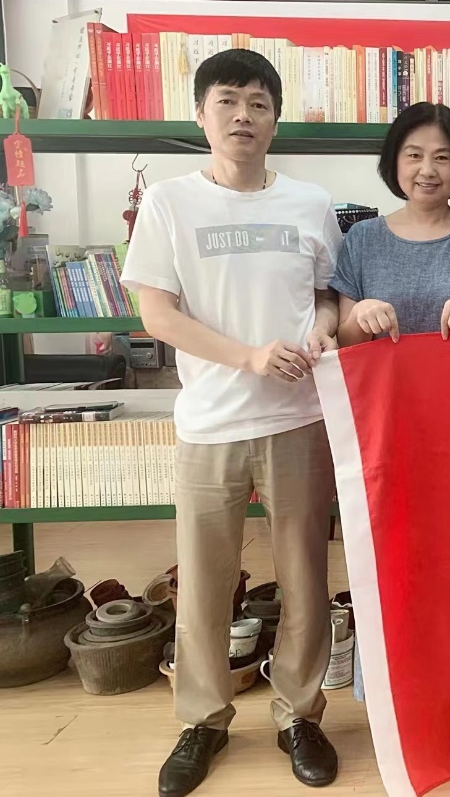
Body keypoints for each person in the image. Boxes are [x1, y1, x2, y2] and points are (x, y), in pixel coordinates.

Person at [121, 49, 343, 796]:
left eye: (258, 103)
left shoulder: (309, 203)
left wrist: (321, 329)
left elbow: (325, 293)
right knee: (204, 583)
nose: (243, 116)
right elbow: (157, 314)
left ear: (275, 120)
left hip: (299, 418)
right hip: (209, 423)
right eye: (227, 101)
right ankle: (204, 719)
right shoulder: (170, 203)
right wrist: (248, 357)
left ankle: (299, 714)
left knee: (305, 577)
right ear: (201, 114)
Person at [330, 101, 450, 345]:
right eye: (414, 155)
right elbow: (346, 344)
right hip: (384, 372)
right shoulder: (362, 238)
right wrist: (359, 316)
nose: (427, 170)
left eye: (442, 157)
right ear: (394, 160)